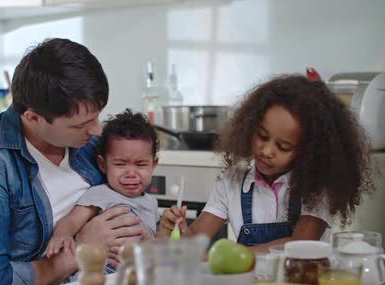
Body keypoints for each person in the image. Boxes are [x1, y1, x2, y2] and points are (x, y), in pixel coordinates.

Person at [0, 38, 147, 285]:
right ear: (33, 118)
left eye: (98, 116)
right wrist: (79, 251)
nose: (97, 130)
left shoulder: (90, 144)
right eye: (79, 125)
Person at [158, 74, 374, 252]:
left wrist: (234, 255)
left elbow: (298, 246)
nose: (267, 151)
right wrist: (179, 232)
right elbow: (197, 236)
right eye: (262, 136)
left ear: (309, 152)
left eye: (283, 147)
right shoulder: (231, 182)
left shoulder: (315, 188)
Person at [46, 110, 160, 273]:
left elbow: (152, 240)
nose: (131, 173)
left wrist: (170, 229)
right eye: (120, 164)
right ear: (103, 164)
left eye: (141, 164)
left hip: (138, 275)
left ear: (153, 165)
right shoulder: (100, 194)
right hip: (100, 272)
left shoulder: (152, 202)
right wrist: (61, 235)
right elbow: (71, 221)